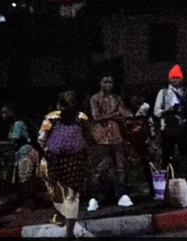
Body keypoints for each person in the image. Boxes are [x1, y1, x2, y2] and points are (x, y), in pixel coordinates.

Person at [40, 91, 91, 238]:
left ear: (59, 104)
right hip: (75, 160)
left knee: (56, 189)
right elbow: (88, 137)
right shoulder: (82, 117)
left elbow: (41, 139)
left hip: (54, 159)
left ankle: (59, 214)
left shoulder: (51, 118)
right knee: (72, 196)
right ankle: (69, 232)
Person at [88, 75, 133, 211]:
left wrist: (119, 115)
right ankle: (94, 198)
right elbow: (96, 117)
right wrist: (114, 115)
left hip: (116, 136)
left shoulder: (117, 98)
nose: (108, 84)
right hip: (102, 137)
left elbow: (125, 113)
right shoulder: (95, 98)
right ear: (100, 83)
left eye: (111, 82)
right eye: (105, 82)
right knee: (98, 169)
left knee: (120, 167)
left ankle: (123, 195)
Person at [154, 65, 187, 180]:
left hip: (184, 129)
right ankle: (165, 181)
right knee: (166, 156)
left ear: (181, 79)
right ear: (169, 79)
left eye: (177, 78)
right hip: (168, 129)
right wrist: (167, 112)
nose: (175, 80)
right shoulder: (163, 93)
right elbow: (156, 111)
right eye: (173, 78)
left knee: (186, 156)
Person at [0, 103, 40, 212]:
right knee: (25, 179)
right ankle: (29, 202)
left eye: (5, 112)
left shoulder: (18, 124)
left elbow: (13, 142)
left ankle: (29, 204)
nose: (3, 115)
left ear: (12, 112)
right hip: (25, 153)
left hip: (25, 154)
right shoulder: (15, 125)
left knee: (25, 180)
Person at [125, 95, 156, 200]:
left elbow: (150, 123)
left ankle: (152, 189)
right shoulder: (126, 111)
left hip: (142, 140)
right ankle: (126, 192)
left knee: (146, 164)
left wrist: (151, 137)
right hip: (130, 140)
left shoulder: (145, 109)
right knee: (127, 166)